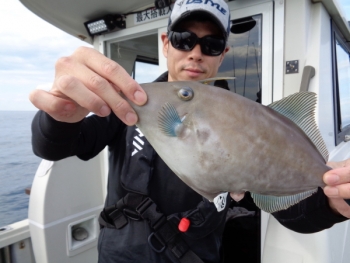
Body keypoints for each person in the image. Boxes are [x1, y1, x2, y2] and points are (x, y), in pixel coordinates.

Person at [29, 0, 350, 262]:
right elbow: (56, 146)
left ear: (223, 53)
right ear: (166, 43)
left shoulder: (248, 119)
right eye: (184, 39)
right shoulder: (125, 106)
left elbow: (293, 211)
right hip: (121, 255)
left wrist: (334, 202)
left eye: (211, 44)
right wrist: (59, 116)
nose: (196, 52)